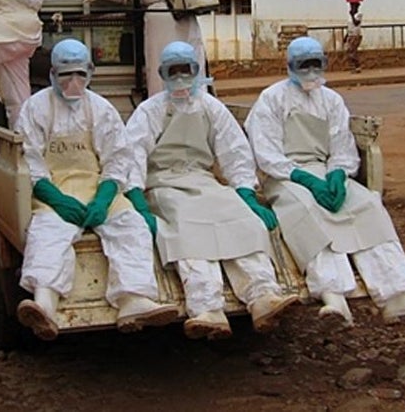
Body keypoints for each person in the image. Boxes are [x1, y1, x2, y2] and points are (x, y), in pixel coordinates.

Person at [244, 36, 405, 327]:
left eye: (316, 64)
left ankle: (397, 293)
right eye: (304, 65)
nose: (311, 71)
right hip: (286, 176)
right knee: (307, 213)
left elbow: (342, 145)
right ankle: (332, 295)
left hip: (325, 169)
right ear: (290, 66)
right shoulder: (272, 99)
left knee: (367, 207)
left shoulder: (332, 100)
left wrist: (338, 172)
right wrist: (304, 179)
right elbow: (266, 152)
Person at [125, 41, 298, 340]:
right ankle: (206, 307)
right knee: (186, 230)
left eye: (186, 70)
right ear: (162, 74)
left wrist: (245, 192)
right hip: (164, 184)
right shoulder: (150, 110)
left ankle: (262, 294)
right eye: (173, 71)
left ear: (197, 70)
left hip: (204, 181)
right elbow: (133, 153)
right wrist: (138, 199)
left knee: (240, 219)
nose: (180, 78)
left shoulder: (210, 107)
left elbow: (234, 150)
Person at [14, 39, 179, 340]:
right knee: (47, 232)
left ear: (90, 71)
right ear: (52, 74)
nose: (73, 82)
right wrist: (56, 199)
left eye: (79, 73)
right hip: (55, 189)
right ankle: (45, 303)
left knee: (131, 226)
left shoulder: (101, 109)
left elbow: (117, 157)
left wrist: (104, 198)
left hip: (96, 186)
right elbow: (30, 161)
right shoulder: (34, 109)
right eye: (65, 75)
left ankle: (132, 298)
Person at [344, 2, 363, 73]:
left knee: (352, 51)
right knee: (349, 51)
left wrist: (352, 15)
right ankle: (354, 67)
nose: (351, 8)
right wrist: (346, 36)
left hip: (356, 35)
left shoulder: (358, 15)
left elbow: (356, 23)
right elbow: (349, 26)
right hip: (350, 35)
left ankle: (357, 66)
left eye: (353, 7)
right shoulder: (350, 16)